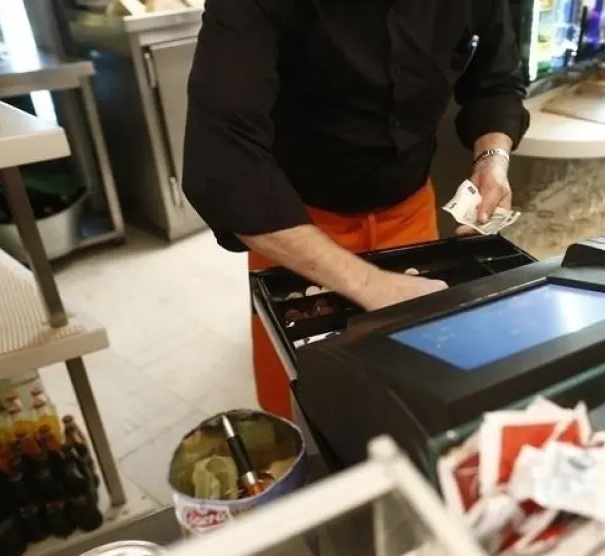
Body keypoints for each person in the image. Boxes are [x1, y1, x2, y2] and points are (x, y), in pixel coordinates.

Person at [182, 0, 531, 417]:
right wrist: (370, 284)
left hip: (410, 213)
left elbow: (497, 82)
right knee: (306, 401)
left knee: (413, 390)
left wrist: (492, 159)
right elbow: (224, 163)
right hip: (298, 228)